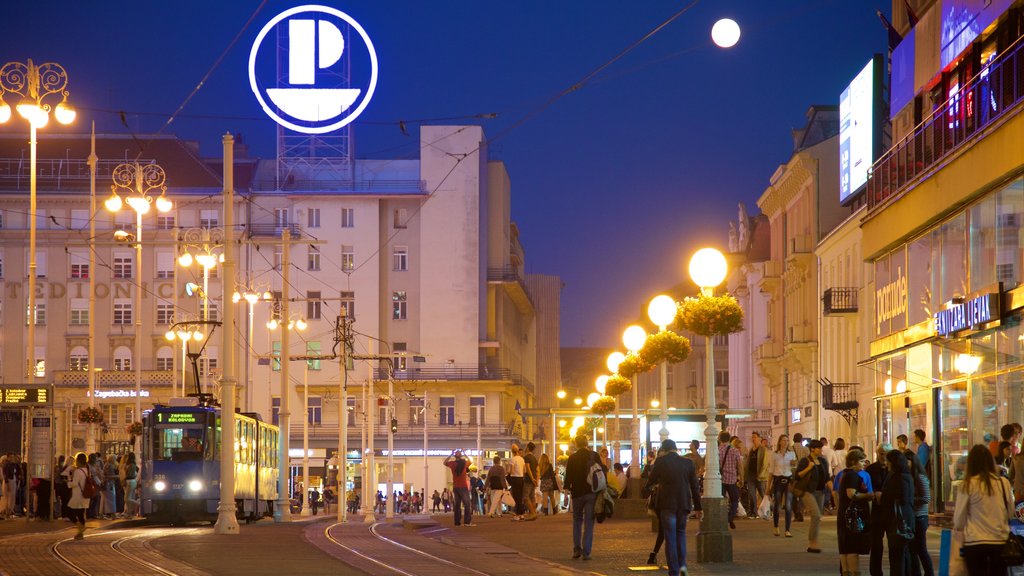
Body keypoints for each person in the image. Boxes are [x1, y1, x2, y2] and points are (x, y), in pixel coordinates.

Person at [954, 444, 1014, 576]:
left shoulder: (967, 484)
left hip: (974, 543)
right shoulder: (1004, 483)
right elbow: (1011, 512)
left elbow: (958, 521)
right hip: (1000, 542)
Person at [645, 439, 701, 576]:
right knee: (681, 534)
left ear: (663, 450)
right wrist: (699, 507)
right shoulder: (688, 463)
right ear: (675, 448)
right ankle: (683, 568)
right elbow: (695, 486)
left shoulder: (660, 462)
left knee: (670, 537)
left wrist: (654, 485)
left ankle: (674, 571)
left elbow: (649, 483)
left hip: (666, 504)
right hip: (683, 504)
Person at [564, 434, 599, 561]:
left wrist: (567, 495)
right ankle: (587, 552)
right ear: (587, 443)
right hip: (591, 492)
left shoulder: (572, 458)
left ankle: (576, 549)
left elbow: (568, 478)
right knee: (589, 522)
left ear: (576, 444)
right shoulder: (594, 456)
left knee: (577, 521)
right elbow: (601, 473)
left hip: (577, 494)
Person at [880, 449, 915, 576]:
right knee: (903, 554)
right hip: (906, 518)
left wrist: (882, 496)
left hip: (899, 520)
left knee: (897, 555)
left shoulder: (899, 477)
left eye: (888, 461)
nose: (886, 463)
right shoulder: (907, 476)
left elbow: (901, 497)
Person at [837, 449, 872, 576]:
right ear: (853, 462)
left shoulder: (844, 474)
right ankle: (854, 572)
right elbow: (852, 494)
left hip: (844, 514)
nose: (864, 464)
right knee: (852, 547)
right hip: (852, 517)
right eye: (861, 461)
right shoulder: (852, 475)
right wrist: (869, 495)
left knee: (844, 547)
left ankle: (846, 572)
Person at [795, 439, 828, 553]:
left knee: (817, 518)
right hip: (808, 491)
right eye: (819, 448)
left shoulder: (823, 461)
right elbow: (797, 475)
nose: (820, 450)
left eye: (821, 448)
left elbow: (827, 476)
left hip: (820, 491)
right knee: (816, 514)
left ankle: (814, 541)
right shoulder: (805, 460)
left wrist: (833, 489)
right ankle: (812, 542)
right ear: (812, 449)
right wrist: (809, 468)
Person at [905, 451, 933, 576]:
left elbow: (926, 498)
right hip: (912, 518)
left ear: (913, 461)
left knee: (921, 549)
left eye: (907, 461)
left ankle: (929, 572)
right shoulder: (909, 477)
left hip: (920, 518)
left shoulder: (920, 477)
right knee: (912, 550)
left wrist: (909, 500)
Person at [866, 443, 891, 576]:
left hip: (890, 511)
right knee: (876, 544)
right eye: (881, 453)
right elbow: (866, 487)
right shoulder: (870, 469)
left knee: (893, 545)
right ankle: (875, 572)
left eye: (886, 453)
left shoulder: (893, 469)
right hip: (876, 511)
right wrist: (874, 492)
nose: (883, 456)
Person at [768, 434, 796, 537]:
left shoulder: (791, 454)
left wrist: (794, 464)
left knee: (788, 505)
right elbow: (771, 471)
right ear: (779, 442)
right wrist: (768, 487)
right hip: (778, 480)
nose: (785, 442)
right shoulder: (774, 454)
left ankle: (787, 530)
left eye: (787, 441)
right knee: (777, 504)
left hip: (788, 480)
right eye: (783, 440)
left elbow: (794, 468)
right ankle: (776, 526)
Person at [718, 430, 743, 529]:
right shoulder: (735, 450)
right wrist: (741, 478)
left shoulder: (717, 450)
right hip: (732, 479)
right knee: (735, 500)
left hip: (721, 480)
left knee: (722, 501)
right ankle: (730, 516)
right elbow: (740, 466)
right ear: (729, 439)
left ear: (719, 439)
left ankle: (723, 519)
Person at [444, 449, 475, 526]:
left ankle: (457, 522)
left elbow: (444, 462)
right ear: (461, 455)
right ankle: (467, 522)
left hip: (456, 487)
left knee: (457, 505)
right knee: (467, 504)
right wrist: (465, 453)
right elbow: (470, 461)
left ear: (454, 456)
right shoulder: (464, 463)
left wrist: (451, 454)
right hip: (463, 486)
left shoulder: (452, 463)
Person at [745, 431, 769, 519]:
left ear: (759, 438)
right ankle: (753, 512)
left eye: (755, 437)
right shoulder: (751, 449)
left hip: (760, 475)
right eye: (752, 437)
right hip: (751, 475)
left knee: (763, 494)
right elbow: (748, 462)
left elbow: (765, 463)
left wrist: (761, 474)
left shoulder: (763, 449)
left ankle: (769, 510)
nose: (753, 439)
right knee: (751, 494)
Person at [67, 453, 89, 540]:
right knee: (80, 514)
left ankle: (80, 527)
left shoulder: (78, 471)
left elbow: (75, 483)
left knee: (69, 512)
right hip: (85, 495)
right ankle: (80, 534)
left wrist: (69, 481)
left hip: (77, 495)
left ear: (78, 461)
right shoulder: (87, 470)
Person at [508, 444, 526, 521]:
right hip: (521, 478)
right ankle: (522, 514)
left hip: (514, 478)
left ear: (512, 451)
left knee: (516, 497)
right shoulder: (522, 459)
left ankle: (518, 514)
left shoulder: (512, 459)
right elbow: (525, 470)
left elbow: (511, 471)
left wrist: (508, 472)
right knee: (520, 496)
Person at [522, 442, 540, 521]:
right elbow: (537, 470)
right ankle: (533, 513)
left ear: (528, 448)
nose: (525, 448)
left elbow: (527, 468)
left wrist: (532, 478)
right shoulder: (534, 458)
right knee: (532, 497)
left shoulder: (527, 457)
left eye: (526, 447)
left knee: (525, 497)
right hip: (534, 480)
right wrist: (537, 480)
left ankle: (532, 513)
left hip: (528, 480)